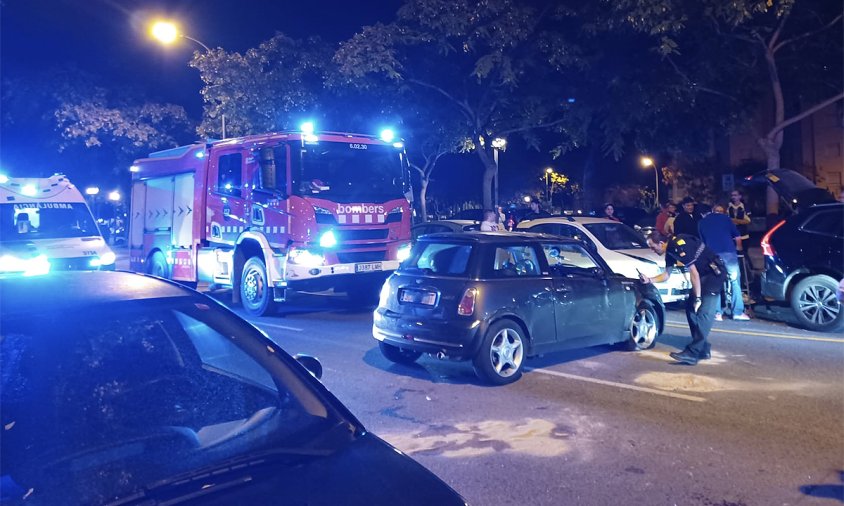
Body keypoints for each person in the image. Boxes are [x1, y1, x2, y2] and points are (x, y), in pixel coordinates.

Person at [641, 231, 727, 365]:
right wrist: (649, 280)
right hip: (703, 277)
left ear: (661, 243)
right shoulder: (669, 251)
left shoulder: (678, 245)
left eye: (653, 247)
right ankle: (703, 348)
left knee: (704, 314)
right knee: (690, 310)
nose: (652, 250)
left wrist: (698, 298)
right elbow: (666, 275)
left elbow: (694, 273)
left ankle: (693, 353)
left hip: (714, 275)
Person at [698, 204, 750, 321]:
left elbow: (703, 242)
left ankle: (717, 313)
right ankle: (737, 312)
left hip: (712, 256)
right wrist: (739, 249)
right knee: (734, 281)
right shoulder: (726, 219)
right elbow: (737, 237)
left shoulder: (701, 222)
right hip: (729, 254)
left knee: (716, 283)